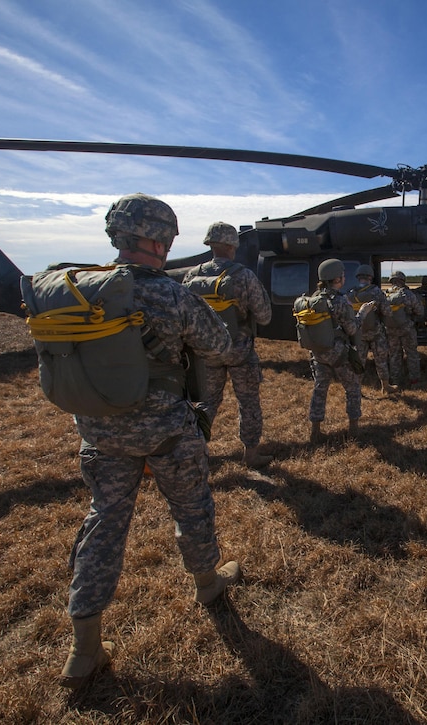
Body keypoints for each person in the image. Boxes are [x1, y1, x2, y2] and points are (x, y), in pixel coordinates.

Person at [58, 194, 239, 689]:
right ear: (163, 241)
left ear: (118, 235)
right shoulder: (172, 294)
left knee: (104, 524)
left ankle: (84, 648)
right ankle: (207, 584)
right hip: (167, 434)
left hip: (100, 434)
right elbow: (220, 345)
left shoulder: (83, 289)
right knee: (193, 508)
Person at [182, 222, 274, 468]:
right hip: (239, 351)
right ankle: (251, 454)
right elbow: (264, 316)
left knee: (206, 403)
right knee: (248, 402)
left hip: (207, 352)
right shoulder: (243, 276)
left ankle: (193, 452)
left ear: (210, 245)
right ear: (233, 246)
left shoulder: (192, 276)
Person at [307, 258, 362, 442]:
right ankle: (354, 429)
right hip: (339, 354)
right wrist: (362, 314)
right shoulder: (340, 301)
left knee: (319, 389)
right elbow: (352, 329)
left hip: (319, 354)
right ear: (337, 279)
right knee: (353, 387)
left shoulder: (313, 298)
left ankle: (315, 430)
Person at [348, 265, 399, 396]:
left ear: (358, 277)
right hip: (376, 332)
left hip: (359, 332)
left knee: (359, 361)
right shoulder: (376, 292)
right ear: (370, 277)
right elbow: (387, 311)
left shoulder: (350, 292)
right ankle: (386, 386)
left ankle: (356, 389)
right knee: (381, 360)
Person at [384, 271, 423, 387]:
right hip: (407, 329)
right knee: (412, 354)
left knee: (394, 355)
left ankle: (395, 381)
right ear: (403, 280)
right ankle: (414, 381)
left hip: (391, 330)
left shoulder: (386, 294)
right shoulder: (408, 294)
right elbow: (420, 311)